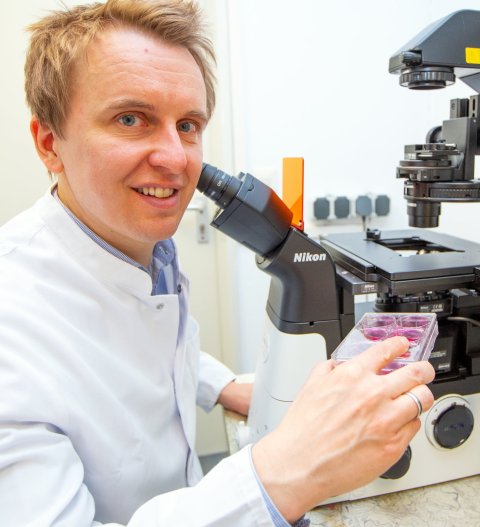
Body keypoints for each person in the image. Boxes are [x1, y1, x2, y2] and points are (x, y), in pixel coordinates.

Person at [0, 0, 435, 526]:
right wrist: (284, 474)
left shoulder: (139, 245)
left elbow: (145, 334)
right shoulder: (14, 319)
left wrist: (217, 383)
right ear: (50, 144)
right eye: (131, 118)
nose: (175, 157)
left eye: (187, 124)